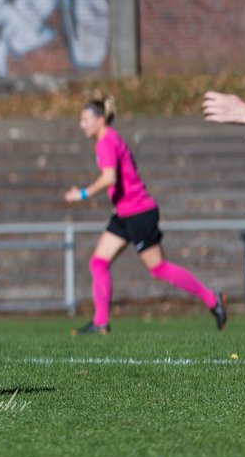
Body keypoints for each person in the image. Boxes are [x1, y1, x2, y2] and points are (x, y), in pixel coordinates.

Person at [64, 95, 226, 335]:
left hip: (139, 212)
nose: (82, 125)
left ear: (100, 119)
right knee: (98, 262)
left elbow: (110, 178)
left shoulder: (106, 141)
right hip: (124, 213)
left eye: (85, 119)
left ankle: (212, 299)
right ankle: (101, 322)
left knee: (158, 268)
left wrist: (83, 194)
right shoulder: (108, 140)